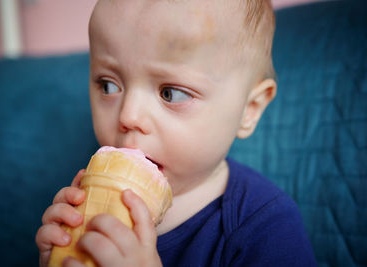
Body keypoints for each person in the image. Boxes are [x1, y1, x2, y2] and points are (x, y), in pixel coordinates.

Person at [36, 0, 317, 266]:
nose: (128, 116)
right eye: (108, 85)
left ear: (249, 110)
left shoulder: (267, 227)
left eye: (170, 93)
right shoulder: (84, 200)